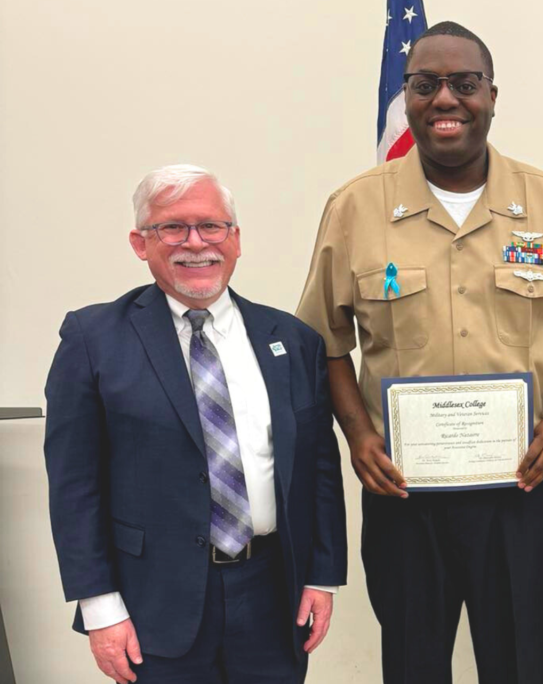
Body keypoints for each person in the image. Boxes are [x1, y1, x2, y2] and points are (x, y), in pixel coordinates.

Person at [296, 21, 543, 684]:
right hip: (404, 493)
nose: (445, 99)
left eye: (464, 83)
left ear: (492, 95)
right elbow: (323, 342)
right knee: (413, 667)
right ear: (407, 98)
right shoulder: (355, 207)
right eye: (426, 84)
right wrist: (358, 435)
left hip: (521, 488)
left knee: (521, 665)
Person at [43, 165, 348, 684]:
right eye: (172, 228)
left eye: (211, 226)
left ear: (236, 239)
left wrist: (322, 576)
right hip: (153, 600)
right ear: (140, 243)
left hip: (273, 595)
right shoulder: (93, 340)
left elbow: (319, 469)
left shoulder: (293, 340)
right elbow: (75, 487)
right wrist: (99, 606)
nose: (195, 243)